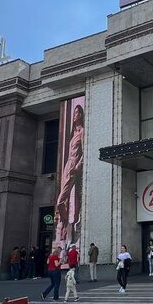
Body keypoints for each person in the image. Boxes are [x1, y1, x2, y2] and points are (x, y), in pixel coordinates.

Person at [54, 104, 85, 246]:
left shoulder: (82, 132)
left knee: (62, 200)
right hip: (68, 166)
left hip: (75, 168)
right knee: (62, 200)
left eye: (77, 112)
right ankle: (66, 224)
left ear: (81, 115)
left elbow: (85, 152)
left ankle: (68, 224)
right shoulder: (73, 134)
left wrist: (77, 167)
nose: (75, 115)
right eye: (74, 112)